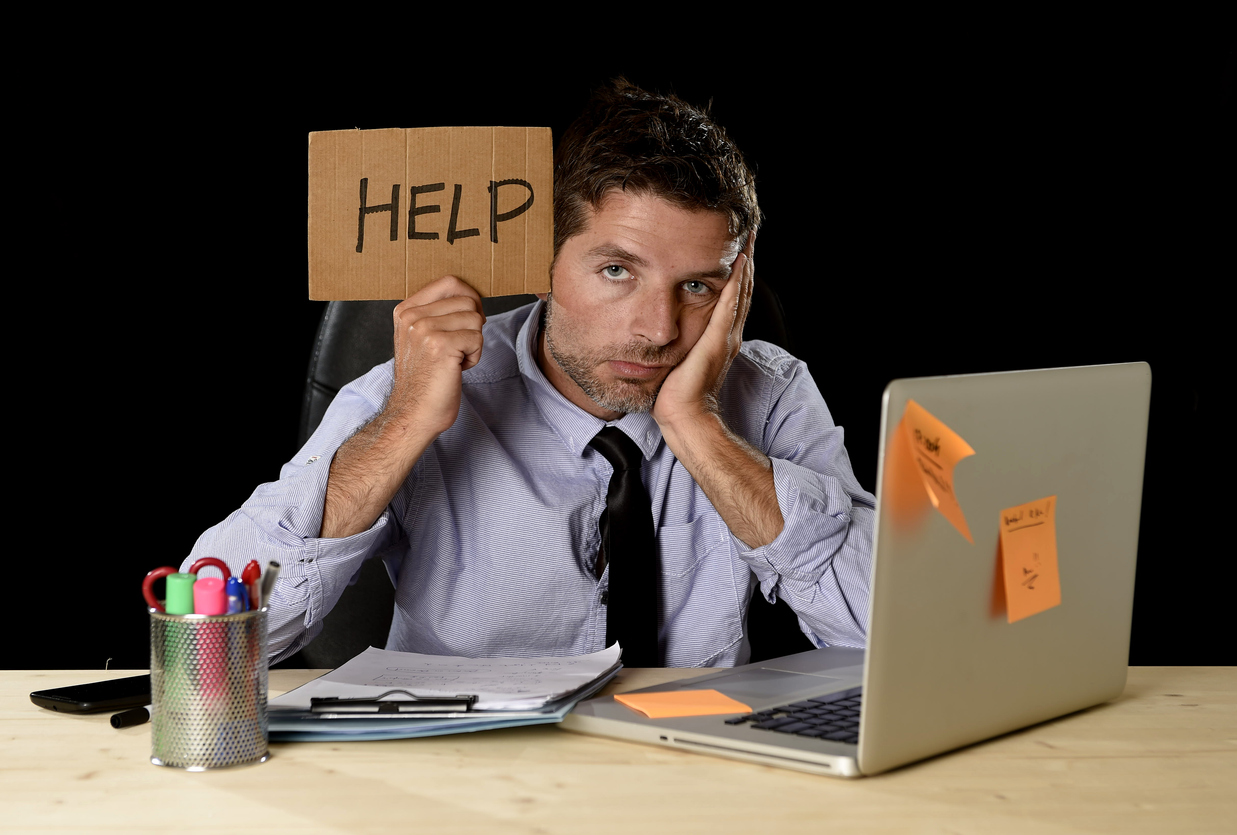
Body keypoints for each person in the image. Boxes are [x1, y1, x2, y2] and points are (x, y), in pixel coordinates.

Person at [184, 78, 875, 667]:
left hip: (690, 778)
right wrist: (403, 425)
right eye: (616, 271)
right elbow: (208, 643)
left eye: (698, 287)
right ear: (540, 262)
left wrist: (697, 427)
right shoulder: (415, 388)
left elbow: (886, 634)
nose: (659, 328)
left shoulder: (771, 390)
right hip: (464, 779)